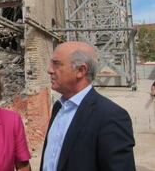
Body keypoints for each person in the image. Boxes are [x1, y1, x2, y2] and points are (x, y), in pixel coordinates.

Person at [40, 41, 135, 171]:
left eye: (56, 64)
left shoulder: (111, 117)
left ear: (80, 70)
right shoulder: (58, 107)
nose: (49, 70)